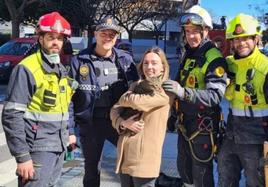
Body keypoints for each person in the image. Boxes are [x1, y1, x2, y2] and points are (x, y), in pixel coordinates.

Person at [1, 12, 77, 186]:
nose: (56, 42)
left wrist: (70, 133)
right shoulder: (27, 69)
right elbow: (12, 115)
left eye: (60, 38)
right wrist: (22, 156)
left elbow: (66, 105)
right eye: (51, 37)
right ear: (40, 38)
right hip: (37, 150)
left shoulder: (60, 68)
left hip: (58, 146)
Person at [68, 16, 139, 187]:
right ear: (95, 34)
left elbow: (138, 93)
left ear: (117, 37)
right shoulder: (79, 61)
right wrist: (70, 130)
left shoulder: (125, 60)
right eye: (104, 33)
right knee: (92, 169)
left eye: (112, 35)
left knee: (131, 161)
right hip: (90, 123)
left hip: (119, 121)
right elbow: (68, 99)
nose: (108, 38)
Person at [162, 5, 228, 187]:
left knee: (201, 175)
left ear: (206, 30)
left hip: (203, 126)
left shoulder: (213, 58)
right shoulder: (189, 54)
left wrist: (183, 93)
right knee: (184, 170)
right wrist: (172, 114)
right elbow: (179, 83)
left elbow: (215, 96)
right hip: (185, 124)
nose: (191, 36)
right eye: (188, 31)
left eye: (196, 32)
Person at [217, 13, 268, 187]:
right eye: (237, 39)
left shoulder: (265, 66)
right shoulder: (228, 63)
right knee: (225, 177)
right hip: (231, 133)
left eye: (246, 38)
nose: (241, 43)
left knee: (255, 182)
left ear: (256, 38)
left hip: (257, 136)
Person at [110, 46, 172, 187]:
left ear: (163, 67)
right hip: (124, 155)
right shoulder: (135, 84)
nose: (149, 67)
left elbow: (140, 102)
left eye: (154, 63)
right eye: (146, 63)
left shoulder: (167, 89)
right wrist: (123, 122)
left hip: (145, 159)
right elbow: (115, 109)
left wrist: (126, 97)